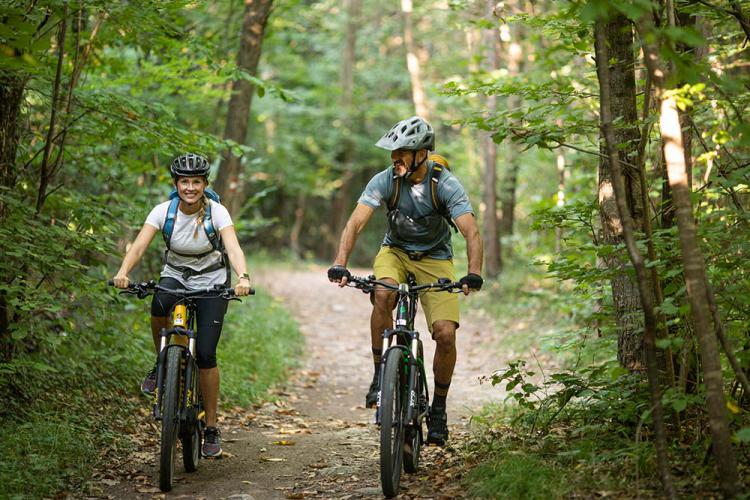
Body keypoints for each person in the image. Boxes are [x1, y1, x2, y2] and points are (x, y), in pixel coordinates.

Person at [327, 116, 483, 446]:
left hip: (436, 258)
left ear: (422, 154)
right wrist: (340, 264)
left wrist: (474, 273)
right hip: (394, 252)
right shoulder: (385, 180)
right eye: (392, 153)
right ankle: (379, 375)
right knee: (382, 293)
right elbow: (354, 224)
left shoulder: (445, 185)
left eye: (402, 153)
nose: (394, 159)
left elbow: (471, 232)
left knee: (445, 333)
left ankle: (438, 409)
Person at [112, 152, 252, 458]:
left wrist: (242, 276)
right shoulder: (163, 211)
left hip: (212, 280)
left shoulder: (218, 213)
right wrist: (123, 272)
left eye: (196, 182)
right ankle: (161, 361)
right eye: (185, 182)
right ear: (176, 184)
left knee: (205, 354)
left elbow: (233, 247)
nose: (190, 187)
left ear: (204, 184)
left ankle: (212, 427)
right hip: (175, 274)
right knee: (159, 303)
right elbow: (139, 245)